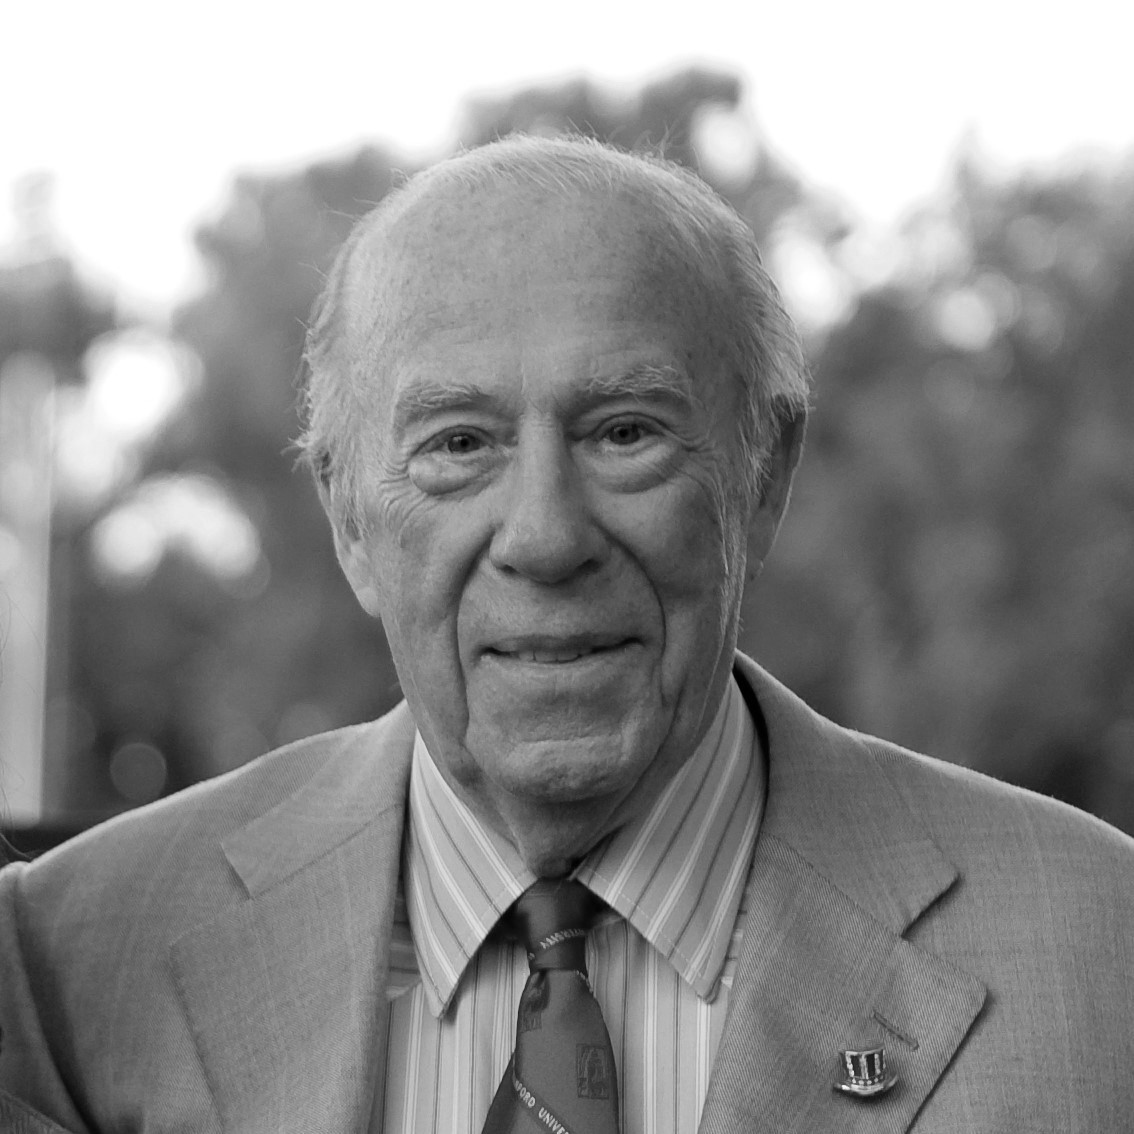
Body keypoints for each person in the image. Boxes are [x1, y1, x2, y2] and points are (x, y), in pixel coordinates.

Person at [1, 135, 1132, 1134]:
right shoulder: (69, 964)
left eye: (624, 431)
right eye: (458, 444)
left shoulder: (1097, 951)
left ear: (763, 474)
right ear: (348, 514)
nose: (544, 536)